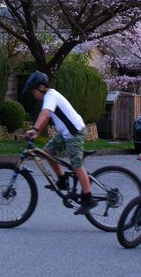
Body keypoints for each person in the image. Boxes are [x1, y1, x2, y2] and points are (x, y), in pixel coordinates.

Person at [22, 71, 96, 214]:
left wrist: (34, 128)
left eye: (33, 91)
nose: (33, 94)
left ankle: (88, 198)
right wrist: (37, 133)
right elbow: (47, 117)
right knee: (47, 151)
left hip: (75, 132)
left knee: (76, 164)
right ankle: (62, 180)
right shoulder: (48, 98)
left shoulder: (51, 96)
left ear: (42, 87)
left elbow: (44, 114)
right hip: (65, 133)